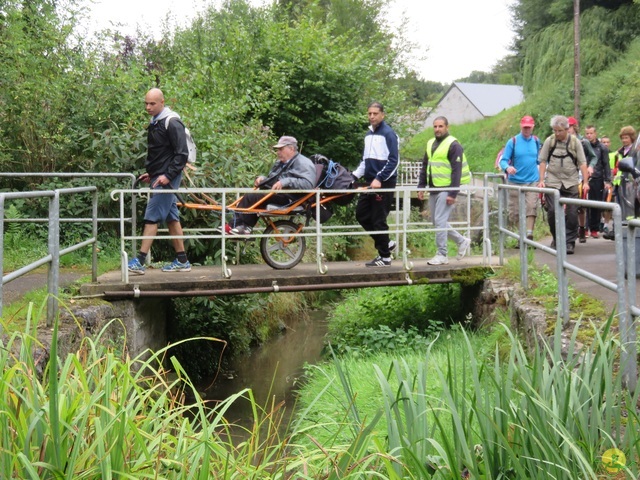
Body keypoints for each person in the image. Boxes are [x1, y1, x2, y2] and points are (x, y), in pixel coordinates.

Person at [128, 88, 191, 275]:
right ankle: (182, 260)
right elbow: (160, 153)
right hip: (159, 176)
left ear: (162, 102)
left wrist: (167, 176)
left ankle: (139, 260)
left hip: (166, 179)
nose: (148, 107)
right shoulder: (155, 121)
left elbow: (182, 154)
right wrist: (152, 173)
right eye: (146, 103)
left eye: (152, 103)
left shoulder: (172, 122)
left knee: (152, 215)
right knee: (171, 218)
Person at [225, 135, 317, 235]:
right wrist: (263, 179)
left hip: (291, 198)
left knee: (253, 196)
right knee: (250, 195)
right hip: (279, 194)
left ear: (291, 149)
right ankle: (235, 226)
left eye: (281, 149)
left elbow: (308, 184)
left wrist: (285, 182)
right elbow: (273, 179)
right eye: (278, 150)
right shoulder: (280, 163)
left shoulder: (304, 163)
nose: (278, 152)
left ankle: (242, 227)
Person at [417, 116, 471, 265]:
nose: (437, 129)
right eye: (435, 126)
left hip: (447, 188)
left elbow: (456, 171)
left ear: (447, 127)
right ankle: (461, 241)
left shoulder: (453, 145)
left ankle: (442, 254)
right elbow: (425, 166)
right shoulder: (430, 144)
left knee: (440, 220)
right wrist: (421, 186)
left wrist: (453, 193)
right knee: (436, 221)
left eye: (440, 126)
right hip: (434, 188)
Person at [353, 102, 399, 267]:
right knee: (361, 214)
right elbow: (365, 161)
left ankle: (385, 257)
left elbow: (394, 160)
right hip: (369, 183)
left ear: (382, 115)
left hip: (384, 183)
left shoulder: (389, 134)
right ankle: (386, 243)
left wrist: (380, 178)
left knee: (379, 219)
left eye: (375, 113)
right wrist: (354, 175)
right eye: (369, 113)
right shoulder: (368, 135)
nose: (372, 116)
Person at [538, 115, 589, 254]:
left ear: (566, 129)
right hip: (553, 181)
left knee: (572, 213)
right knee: (553, 211)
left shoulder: (575, 142)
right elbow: (542, 161)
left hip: (571, 181)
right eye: (555, 130)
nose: (557, 133)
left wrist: (585, 182)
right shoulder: (550, 141)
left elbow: (582, 163)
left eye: (559, 131)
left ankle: (570, 241)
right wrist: (541, 180)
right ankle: (556, 238)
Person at [498, 115, 541, 241]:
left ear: (533, 127)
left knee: (531, 206)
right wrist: (508, 168)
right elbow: (503, 160)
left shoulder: (536, 141)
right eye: (524, 127)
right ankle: (521, 236)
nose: (526, 130)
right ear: (521, 127)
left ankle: (529, 234)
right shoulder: (513, 142)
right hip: (515, 181)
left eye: (529, 127)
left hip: (532, 181)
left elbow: (539, 160)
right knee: (515, 211)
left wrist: (543, 176)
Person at [567, 116, 596, 242]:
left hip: (581, 174)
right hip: (568, 175)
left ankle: (582, 228)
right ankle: (568, 231)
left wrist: (590, 167)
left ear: (574, 128)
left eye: (569, 127)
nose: (567, 129)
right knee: (568, 204)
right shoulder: (562, 141)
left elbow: (593, 156)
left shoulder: (584, 142)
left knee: (581, 204)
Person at [584, 125, 612, 238]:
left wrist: (607, 180)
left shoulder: (602, 148)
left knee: (595, 204)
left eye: (591, 133)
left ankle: (594, 229)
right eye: (587, 133)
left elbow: (606, 164)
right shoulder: (583, 146)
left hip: (597, 178)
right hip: (585, 178)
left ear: (595, 134)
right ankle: (585, 228)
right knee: (584, 204)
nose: (589, 135)